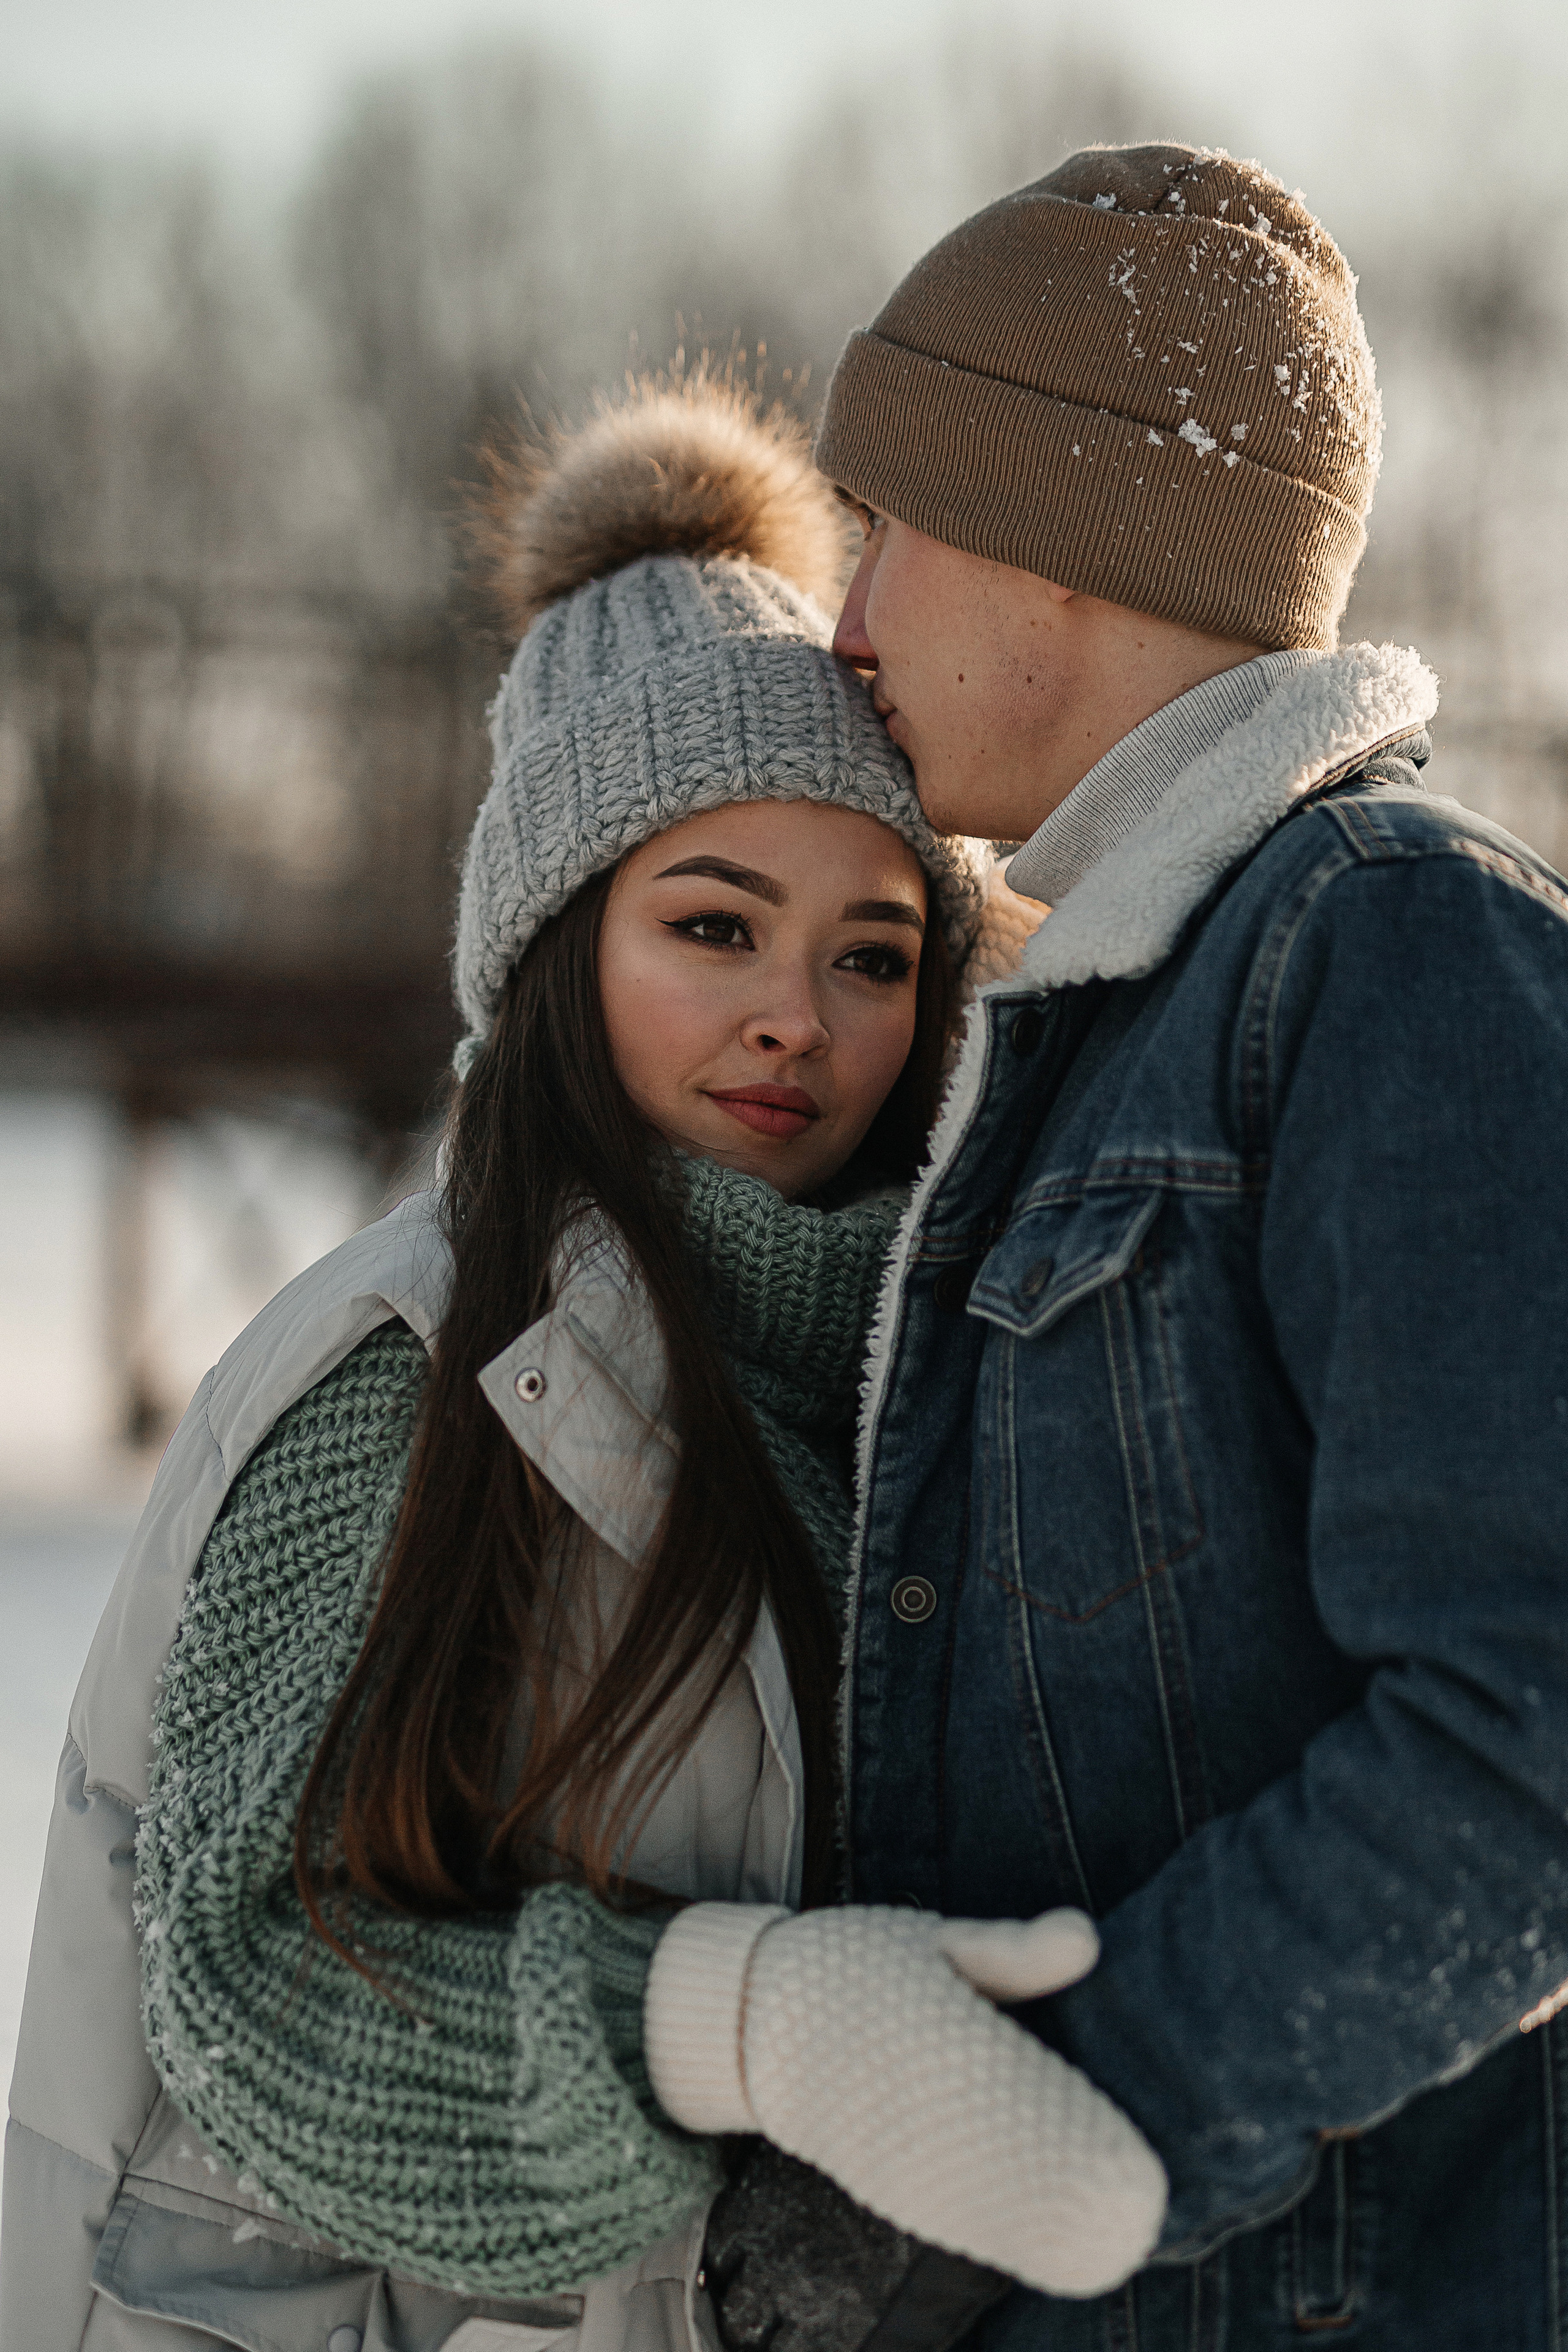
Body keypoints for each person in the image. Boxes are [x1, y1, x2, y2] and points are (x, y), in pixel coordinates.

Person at [1, 382, 1166, 2352]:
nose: (795, 1017)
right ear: (557, 943)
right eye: (713, 926)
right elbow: (253, 1991)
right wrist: (739, 2027)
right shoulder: (417, 1369)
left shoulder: (927, 1369)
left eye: (875, 954)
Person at [700, 143, 1568, 2351]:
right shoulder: (1093, 1029)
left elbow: (1531, 1729)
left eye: (886, 529)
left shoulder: (1395, 956)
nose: (852, 618)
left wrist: (1061, 2127)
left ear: (1061, 547)